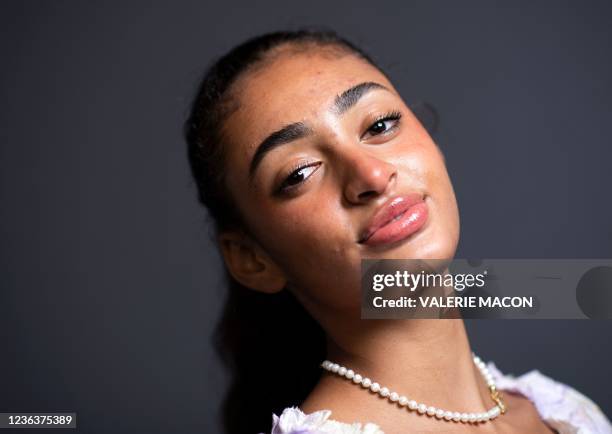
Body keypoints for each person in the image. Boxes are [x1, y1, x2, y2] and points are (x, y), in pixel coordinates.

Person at [185, 29, 612, 434]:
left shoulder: (565, 410)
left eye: (380, 125)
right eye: (299, 172)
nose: (371, 174)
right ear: (251, 259)